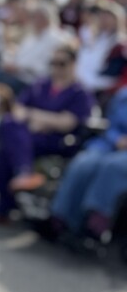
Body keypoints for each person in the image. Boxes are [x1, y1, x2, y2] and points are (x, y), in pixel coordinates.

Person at [0, 43, 94, 223]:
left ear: (73, 64)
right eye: (53, 63)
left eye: (61, 63)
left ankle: (9, 199)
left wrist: (36, 117)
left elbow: (68, 122)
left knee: (9, 142)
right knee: (9, 129)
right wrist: (32, 118)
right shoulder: (41, 84)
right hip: (28, 136)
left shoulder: (80, 92)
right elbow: (18, 108)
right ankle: (19, 180)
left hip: (57, 141)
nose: (56, 68)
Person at [21, 86, 127, 241]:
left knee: (113, 166)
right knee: (84, 163)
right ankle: (60, 219)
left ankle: (96, 224)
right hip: (110, 145)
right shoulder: (123, 95)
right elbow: (109, 126)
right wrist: (117, 139)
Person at [0, 0, 70, 93]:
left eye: (38, 17)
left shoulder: (56, 39)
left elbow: (48, 67)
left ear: (46, 18)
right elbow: (19, 56)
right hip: (18, 74)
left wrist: (19, 67)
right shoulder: (32, 38)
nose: (35, 20)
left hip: (33, 81)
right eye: (34, 17)